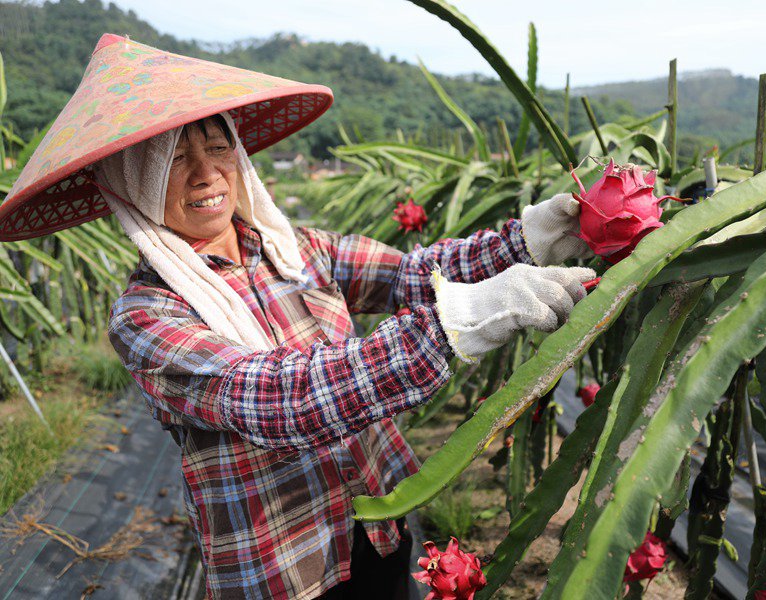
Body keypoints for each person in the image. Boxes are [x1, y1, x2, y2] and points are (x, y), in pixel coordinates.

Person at [2, 35, 596, 599]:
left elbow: (408, 274)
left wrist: (527, 240)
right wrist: (453, 326)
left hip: (378, 522)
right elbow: (279, 397)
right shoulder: (147, 315)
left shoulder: (295, 249)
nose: (207, 173)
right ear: (132, 183)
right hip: (285, 566)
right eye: (172, 160)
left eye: (217, 147)